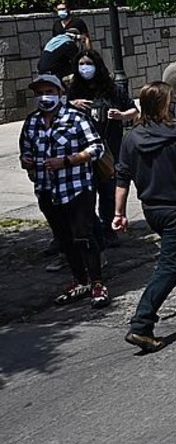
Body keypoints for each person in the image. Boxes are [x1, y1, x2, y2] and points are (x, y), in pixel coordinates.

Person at [113, 82, 176, 353]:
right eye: (171, 100)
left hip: (152, 211)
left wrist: (118, 213)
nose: (174, 104)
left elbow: (122, 177)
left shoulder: (131, 138)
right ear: (162, 105)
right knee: (170, 264)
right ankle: (142, 324)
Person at [20, 74, 109, 308]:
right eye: (39, 92)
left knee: (84, 236)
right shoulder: (32, 122)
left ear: (60, 93)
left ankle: (97, 282)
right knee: (64, 239)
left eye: (49, 91)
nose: (44, 96)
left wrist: (68, 160)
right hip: (47, 189)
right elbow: (25, 151)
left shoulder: (75, 118)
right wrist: (26, 160)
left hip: (76, 187)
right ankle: (79, 280)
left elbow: (97, 148)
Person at [66, 48, 137, 248]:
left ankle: (109, 229)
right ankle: (89, 229)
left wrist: (121, 116)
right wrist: (72, 103)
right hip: (82, 150)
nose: (84, 68)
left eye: (88, 64)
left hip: (108, 149)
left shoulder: (112, 90)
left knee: (107, 191)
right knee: (85, 193)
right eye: (81, 64)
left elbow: (133, 110)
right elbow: (61, 112)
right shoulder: (74, 90)